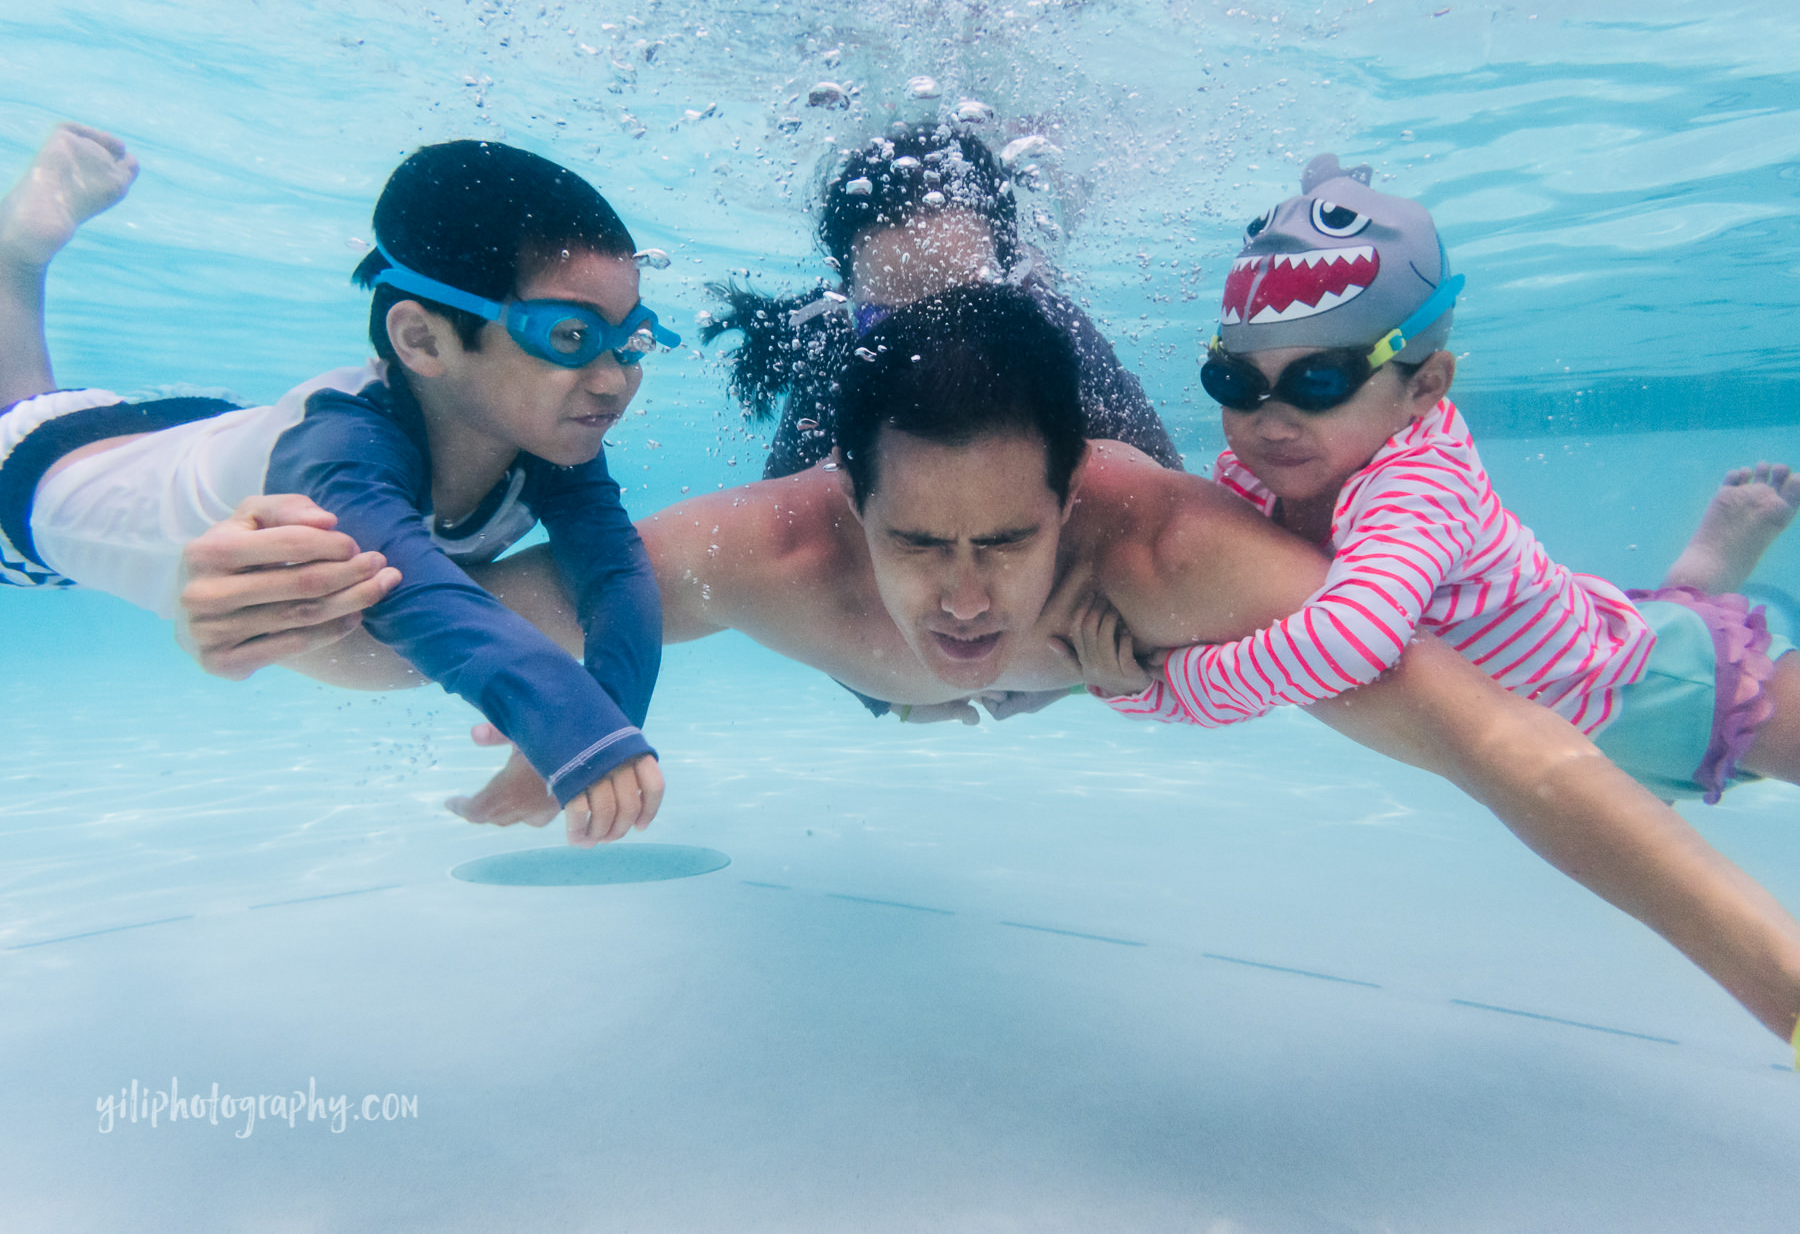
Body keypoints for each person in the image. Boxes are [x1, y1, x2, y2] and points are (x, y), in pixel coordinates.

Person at [174, 285, 1800, 1050]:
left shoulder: (1162, 554)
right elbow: (427, 641)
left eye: (1004, 546)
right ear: (843, 500)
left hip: (1106, 546)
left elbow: (1508, 744)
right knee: (876, 330)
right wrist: (274, 621)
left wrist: (1766, 975)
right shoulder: (772, 550)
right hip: (889, 533)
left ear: (1072, 504)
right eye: (917, 543)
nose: (961, 603)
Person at [0, 123, 674, 845]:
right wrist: (571, 726)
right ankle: (18, 257)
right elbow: (409, 589)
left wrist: (606, 714)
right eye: (570, 337)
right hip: (33, 480)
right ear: (421, 340)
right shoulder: (340, 455)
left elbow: (616, 571)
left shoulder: (547, 435)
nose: (612, 379)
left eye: (630, 340)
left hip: (203, 433)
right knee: (20, 411)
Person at [1070, 155, 1800, 808]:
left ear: (1425, 386)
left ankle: (1703, 592)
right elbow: (1221, 622)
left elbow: (1346, 644)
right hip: (1543, 714)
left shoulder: (1420, 483)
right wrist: (1129, 688)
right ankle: (1699, 582)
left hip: (1658, 694)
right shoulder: (1258, 480)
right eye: (1233, 381)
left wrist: (1172, 686)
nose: (1270, 419)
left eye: (1318, 382)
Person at [701, 121, 1180, 721]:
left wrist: (1080, 675)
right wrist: (884, 690)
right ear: (847, 299)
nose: (935, 350)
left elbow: (1164, 526)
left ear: (1016, 286)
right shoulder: (833, 361)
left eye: (971, 307)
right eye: (889, 318)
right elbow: (796, 569)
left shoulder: (1061, 344)